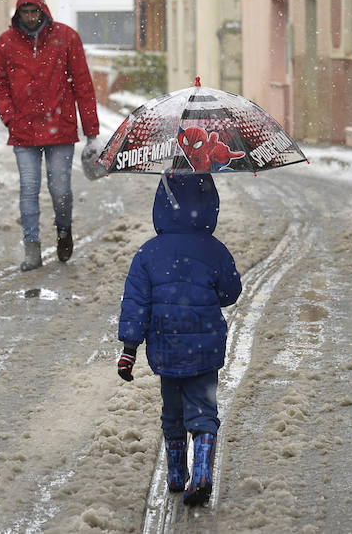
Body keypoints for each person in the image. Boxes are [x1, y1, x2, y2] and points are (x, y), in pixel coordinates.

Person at [116, 173, 242, 506]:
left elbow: (136, 303)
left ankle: (175, 474)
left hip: (166, 347)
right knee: (203, 410)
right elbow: (231, 292)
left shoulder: (147, 253)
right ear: (209, 205)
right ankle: (201, 473)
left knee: (172, 412)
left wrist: (129, 348)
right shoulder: (214, 250)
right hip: (205, 348)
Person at [0, 0, 100, 270]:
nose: (30, 17)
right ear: (18, 12)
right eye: (24, 12)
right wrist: (10, 117)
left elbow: (84, 85)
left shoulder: (66, 38)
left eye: (34, 11)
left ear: (42, 9)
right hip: (23, 131)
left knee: (60, 190)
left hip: (60, 129)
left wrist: (92, 132)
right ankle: (32, 249)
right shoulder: (6, 43)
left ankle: (64, 232)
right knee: (28, 189)